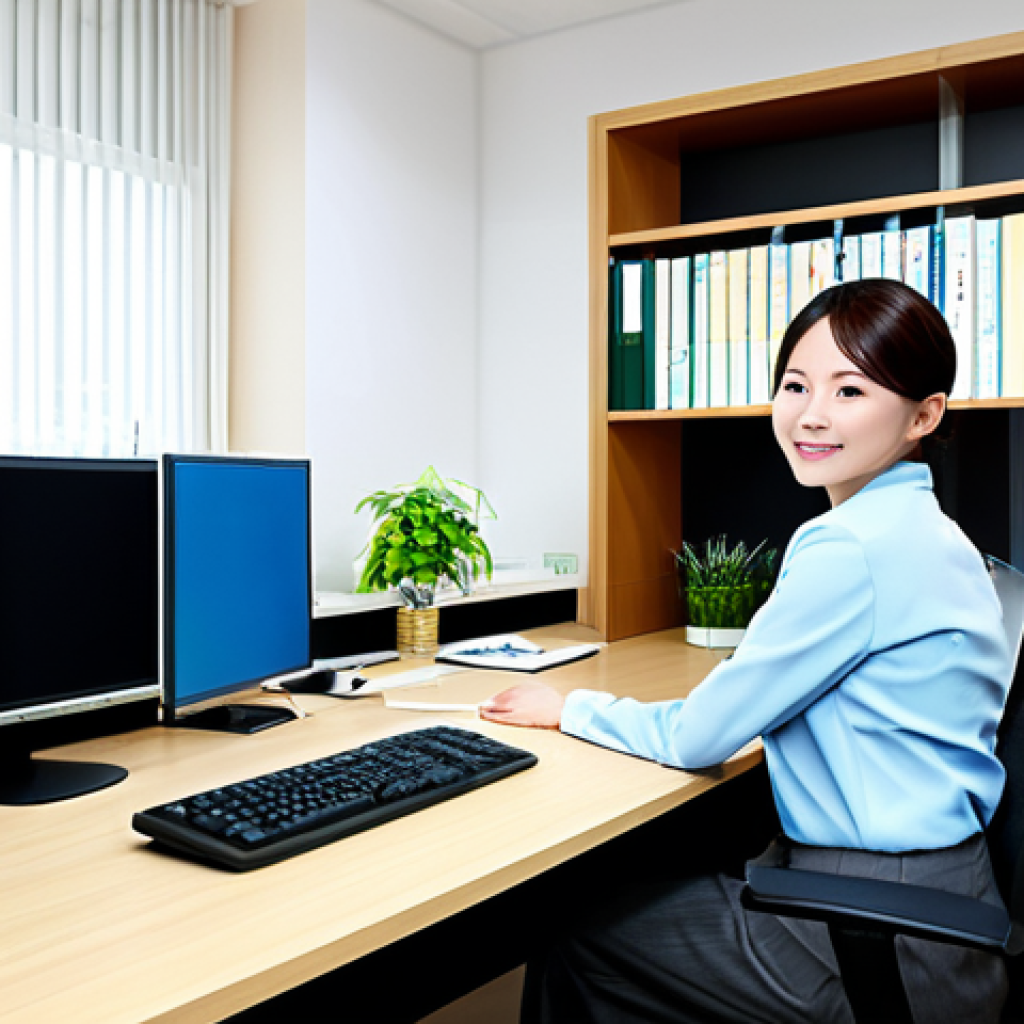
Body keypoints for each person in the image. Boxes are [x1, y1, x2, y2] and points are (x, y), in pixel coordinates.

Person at [480, 278, 1013, 1023]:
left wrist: (569, 706)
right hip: (947, 914)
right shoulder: (934, 534)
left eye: (851, 391)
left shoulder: (849, 545)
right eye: (795, 384)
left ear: (924, 414)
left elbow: (701, 737)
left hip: (871, 937)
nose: (812, 414)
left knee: (576, 930)